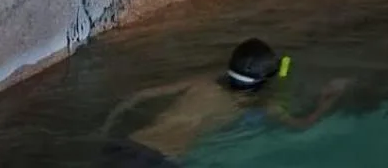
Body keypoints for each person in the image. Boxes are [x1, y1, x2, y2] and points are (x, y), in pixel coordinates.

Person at [100, 39, 349, 164]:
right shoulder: (258, 106)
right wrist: (329, 96)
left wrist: (106, 131)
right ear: (263, 82)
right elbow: (303, 124)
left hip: (126, 145)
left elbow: (136, 97)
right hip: (161, 161)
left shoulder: (201, 83)